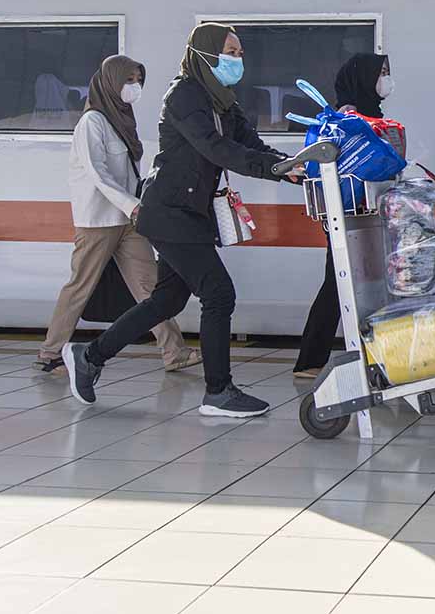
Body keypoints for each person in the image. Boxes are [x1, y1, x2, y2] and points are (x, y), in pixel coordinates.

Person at [63, 23, 300, 418]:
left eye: (240, 53)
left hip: (189, 212)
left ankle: (89, 355)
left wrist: (292, 166)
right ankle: (218, 392)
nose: (238, 60)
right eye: (231, 52)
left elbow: (248, 142)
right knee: (218, 293)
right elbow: (216, 148)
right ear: (206, 53)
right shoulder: (185, 95)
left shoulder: (221, 98)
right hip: (170, 212)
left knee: (166, 300)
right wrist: (272, 169)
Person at [36, 55, 201, 375]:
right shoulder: (92, 122)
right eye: (128, 80)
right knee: (80, 286)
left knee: (150, 286)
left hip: (128, 219)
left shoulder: (119, 119)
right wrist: (132, 204)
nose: (135, 87)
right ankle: (51, 352)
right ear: (111, 81)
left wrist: (136, 205)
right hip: (98, 221)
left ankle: (174, 351)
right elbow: (98, 175)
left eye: (138, 80)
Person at [293, 52, 392, 378]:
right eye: (381, 73)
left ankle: (368, 354)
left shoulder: (370, 113)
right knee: (339, 283)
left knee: (353, 281)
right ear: (363, 78)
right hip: (346, 212)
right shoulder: (348, 116)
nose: (386, 80)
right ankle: (309, 360)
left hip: (362, 212)